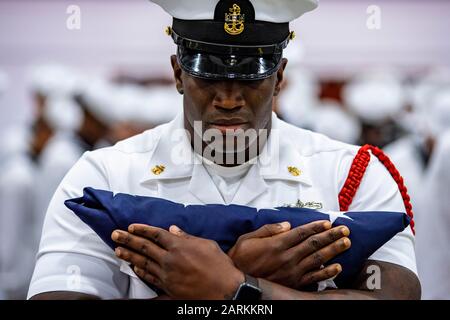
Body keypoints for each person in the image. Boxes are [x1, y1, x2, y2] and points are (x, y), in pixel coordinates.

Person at [28, 0, 420, 300]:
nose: (229, 99)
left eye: (251, 76)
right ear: (178, 74)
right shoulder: (103, 176)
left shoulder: (352, 172)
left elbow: (397, 293)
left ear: (279, 77)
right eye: (208, 75)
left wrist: (240, 286)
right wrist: (235, 284)